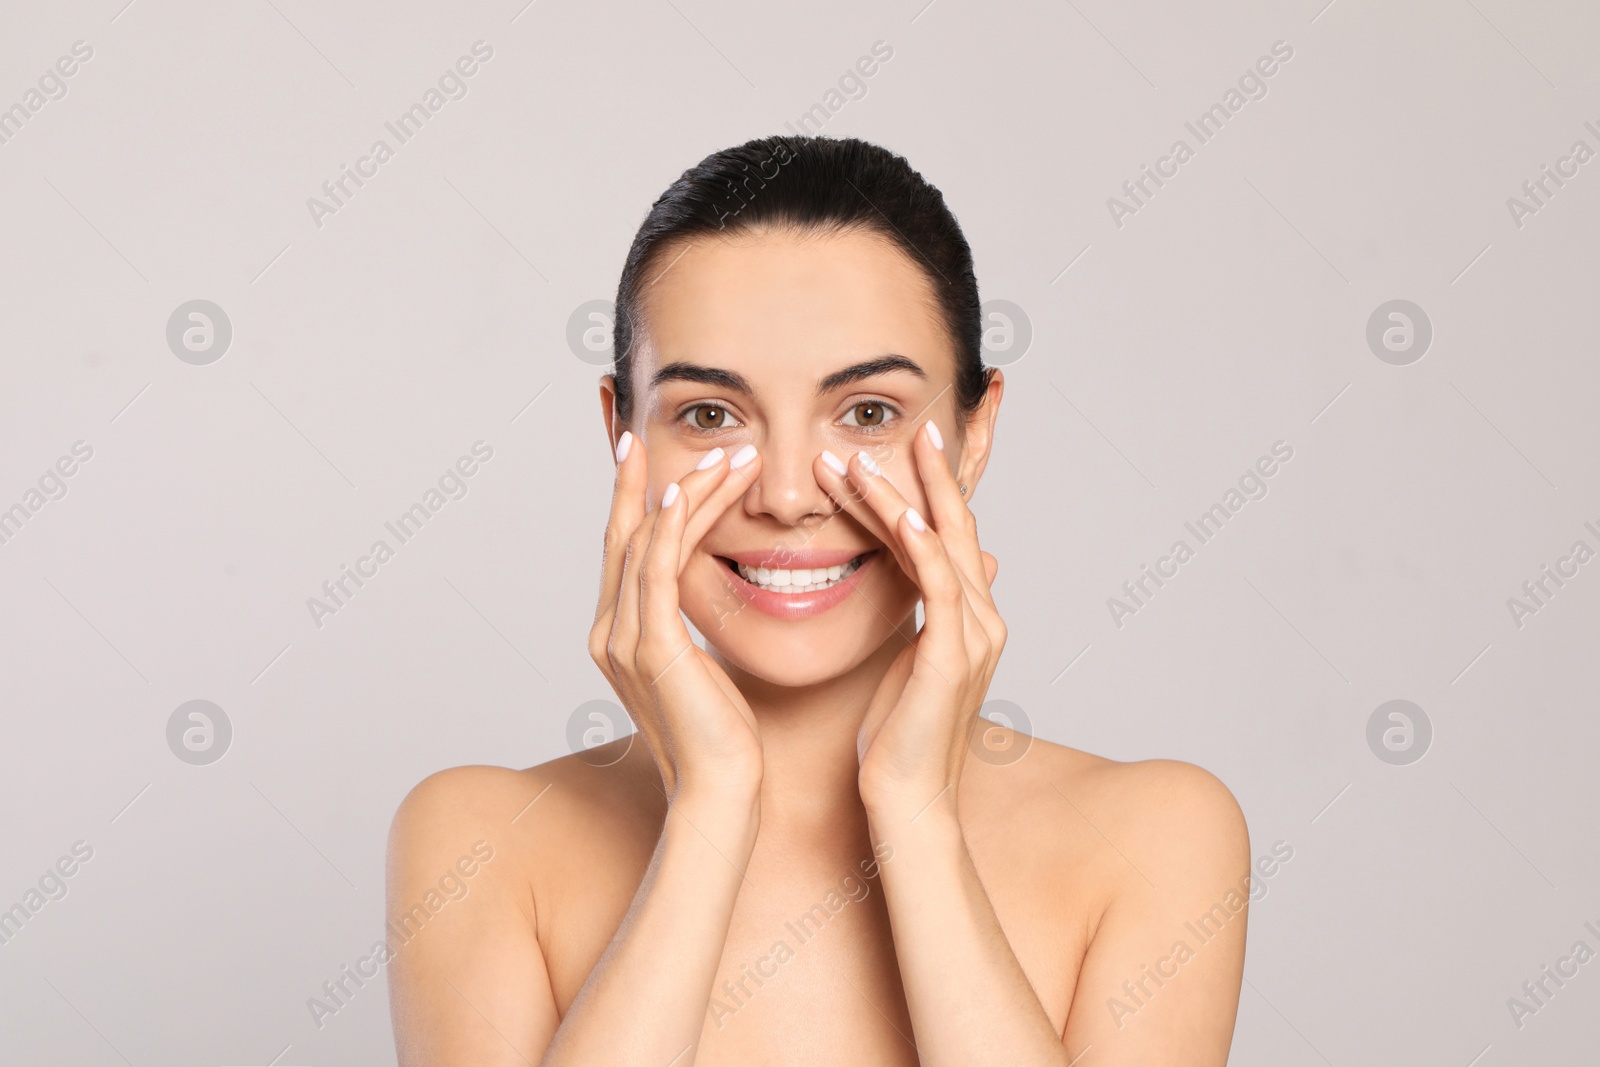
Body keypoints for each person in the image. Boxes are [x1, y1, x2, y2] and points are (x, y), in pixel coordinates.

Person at [386, 134, 1249, 1065]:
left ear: (976, 430)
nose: (789, 494)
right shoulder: (476, 843)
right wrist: (710, 810)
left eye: (869, 412)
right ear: (621, 433)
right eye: (710, 414)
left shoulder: (1156, 837)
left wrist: (915, 810)